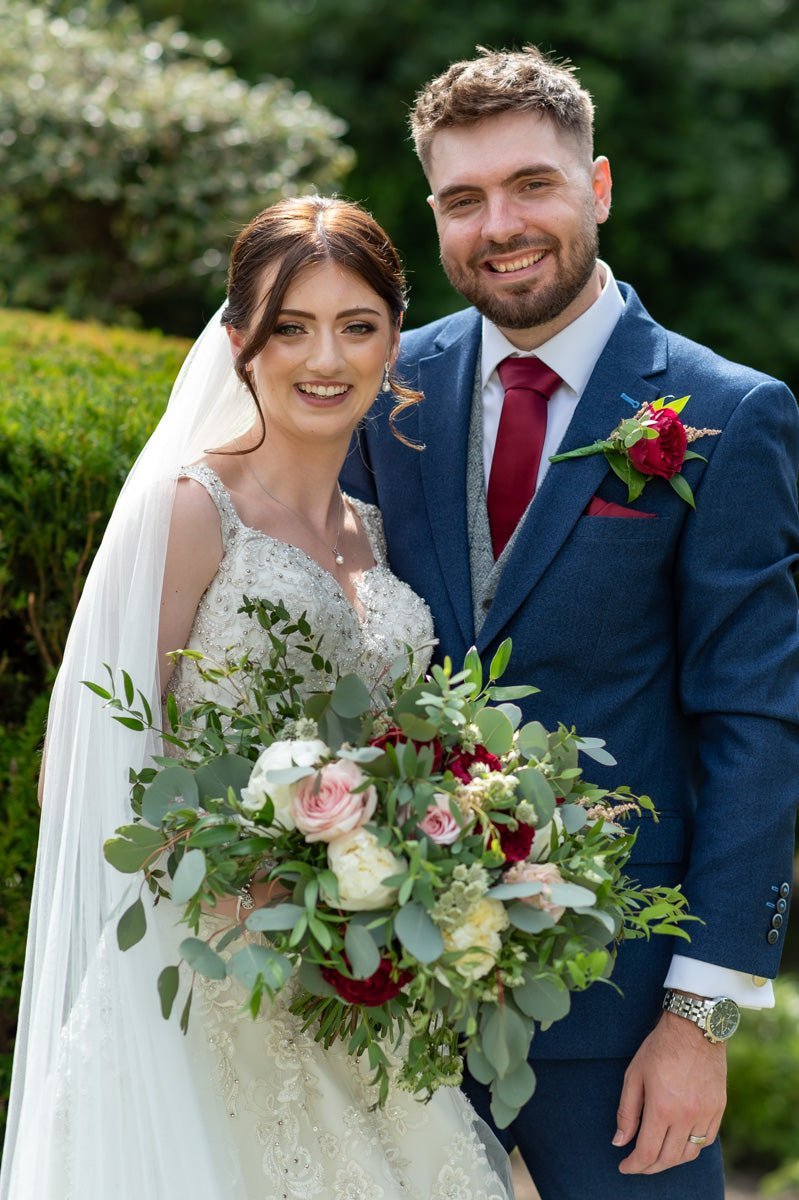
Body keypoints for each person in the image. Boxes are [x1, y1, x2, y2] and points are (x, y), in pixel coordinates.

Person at [340, 46, 799, 1200]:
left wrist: (700, 1018)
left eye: (530, 185)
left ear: (596, 188)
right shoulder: (381, 388)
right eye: (462, 199)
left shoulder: (727, 415)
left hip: (618, 1010)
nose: (499, 224)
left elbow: (757, 720)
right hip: (383, 997)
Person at [0, 197, 513, 1200]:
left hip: (362, 994)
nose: (324, 357)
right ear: (239, 342)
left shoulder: (370, 527)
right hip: (210, 992)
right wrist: (245, 894)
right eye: (291, 326)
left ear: (391, 344)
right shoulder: (191, 510)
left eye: (356, 326)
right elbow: (85, 766)